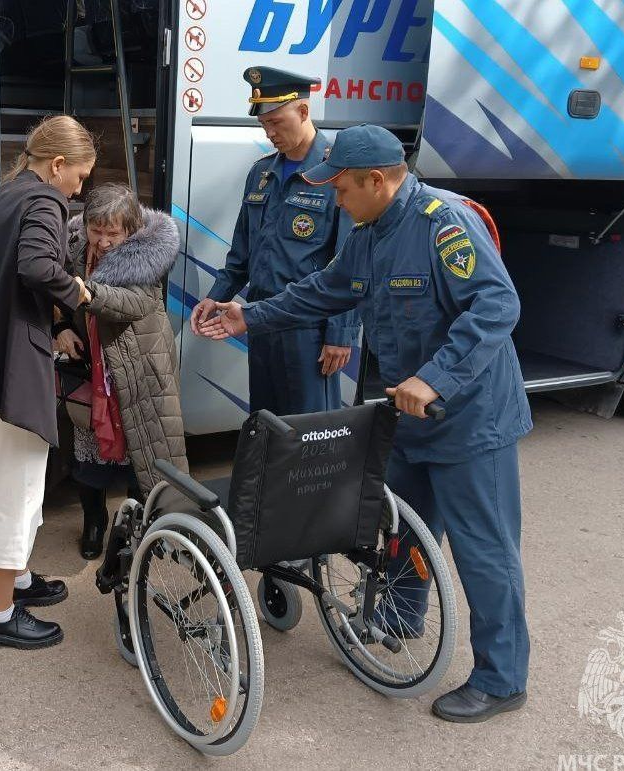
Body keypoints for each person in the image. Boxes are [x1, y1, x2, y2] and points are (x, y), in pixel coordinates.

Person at [196, 124, 533, 723]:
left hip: (469, 419)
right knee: (401, 529)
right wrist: (248, 316)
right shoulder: (370, 230)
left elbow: (497, 304)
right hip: (410, 414)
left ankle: (501, 679)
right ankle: (396, 620)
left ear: (377, 180)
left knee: (484, 551)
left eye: (343, 190)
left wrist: (437, 377)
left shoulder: (442, 223)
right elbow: (326, 289)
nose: (336, 200)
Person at [0, 115, 95, 651]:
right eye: (78, 177)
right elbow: (37, 268)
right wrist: (75, 293)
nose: (79, 190)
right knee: (15, 488)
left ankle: (19, 580)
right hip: (12, 365)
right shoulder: (45, 201)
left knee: (18, 473)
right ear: (57, 166)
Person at [189, 66, 359, 415]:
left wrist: (340, 333)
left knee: (309, 430)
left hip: (308, 328)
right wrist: (215, 297)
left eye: (277, 122)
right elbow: (241, 254)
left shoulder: (336, 173)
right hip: (259, 319)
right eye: (264, 125)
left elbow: (350, 262)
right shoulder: (261, 173)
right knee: (265, 422)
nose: (269, 133)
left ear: (303, 111)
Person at [53, 183, 188, 560]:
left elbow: (136, 303)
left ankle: (134, 529)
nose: (104, 240)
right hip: (92, 368)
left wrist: (89, 296)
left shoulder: (149, 252)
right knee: (87, 452)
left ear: (130, 229)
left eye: (113, 233)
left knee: (141, 453)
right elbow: (56, 294)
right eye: (97, 231)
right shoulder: (74, 243)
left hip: (141, 365)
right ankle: (94, 520)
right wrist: (61, 326)